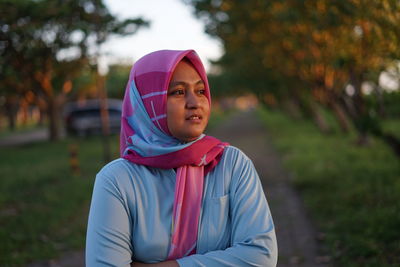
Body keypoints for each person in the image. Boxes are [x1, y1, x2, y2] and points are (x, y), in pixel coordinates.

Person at [85, 49, 278, 266]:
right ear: (147, 102)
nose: (195, 102)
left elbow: (261, 256)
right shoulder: (118, 180)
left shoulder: (232, 164)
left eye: (201, 90)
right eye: (178, 92)